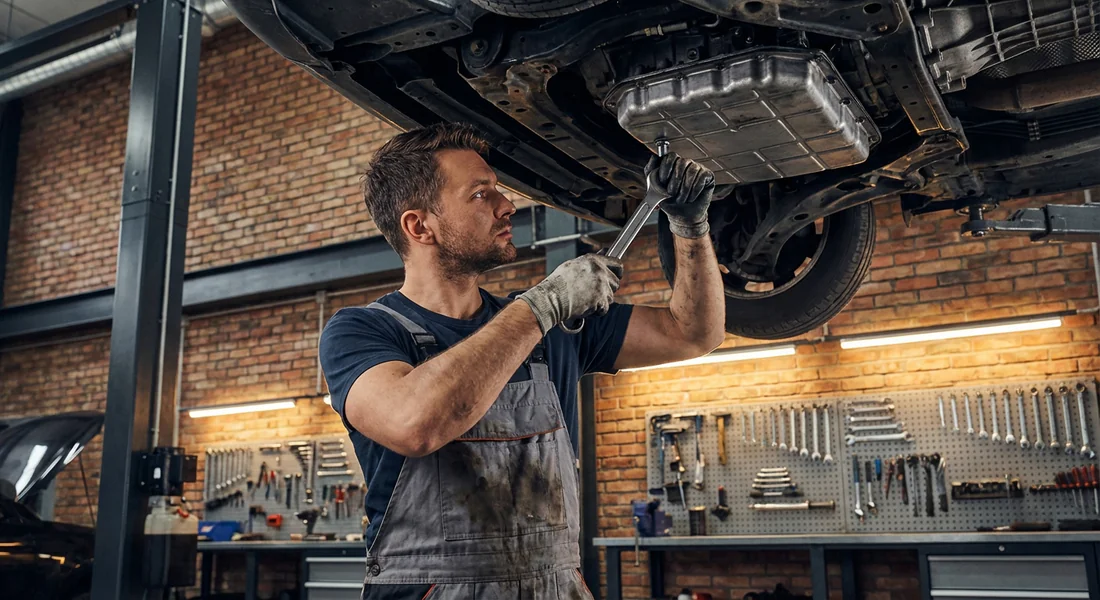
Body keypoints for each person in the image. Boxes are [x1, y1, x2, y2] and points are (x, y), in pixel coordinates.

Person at [319, 122, 725, 599]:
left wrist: (690, 228)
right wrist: (541, 307)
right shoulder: (362, 331)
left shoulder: (554, 324)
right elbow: (415, 423)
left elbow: (694, 332)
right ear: (418, 225)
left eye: (500, 191)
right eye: (480, 194)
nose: (507, 205)